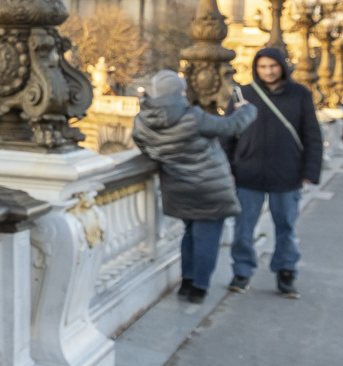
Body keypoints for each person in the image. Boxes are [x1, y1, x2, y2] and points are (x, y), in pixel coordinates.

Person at [129, 70, 257, 304]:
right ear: (179, 92)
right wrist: (248, 109)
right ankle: (199, 287)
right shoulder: (193, 116)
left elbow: (145, 148)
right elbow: (231, 127)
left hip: (177, 188)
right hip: (209, 189)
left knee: (189, 234)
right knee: (207, 238)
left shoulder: (142, 121)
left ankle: (187, 281)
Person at [224, 46, 324, 298]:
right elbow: (227, 134)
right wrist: (229, 168)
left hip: (287, 172)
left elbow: (311, 134)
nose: (268, 71)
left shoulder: (300, 94)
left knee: (286, 227)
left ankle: (286, 273)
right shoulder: (242, 94)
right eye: (263, 66)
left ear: (282, 66)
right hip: (248, 171)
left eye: (273, 66)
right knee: (244, 228)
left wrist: (310, 170)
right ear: (256, 68)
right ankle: (242, 272)